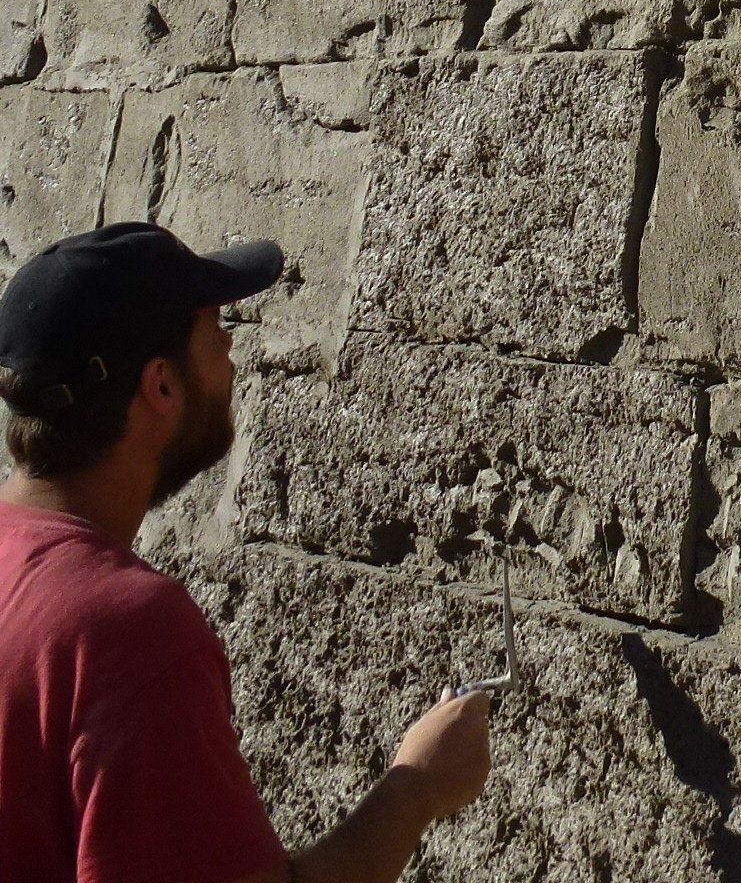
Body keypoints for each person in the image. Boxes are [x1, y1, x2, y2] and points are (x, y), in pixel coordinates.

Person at [0, 220, 493, 883]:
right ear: (162, 386)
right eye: (212, 325)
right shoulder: (124, 633)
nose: (230, 343)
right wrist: (418, 787)